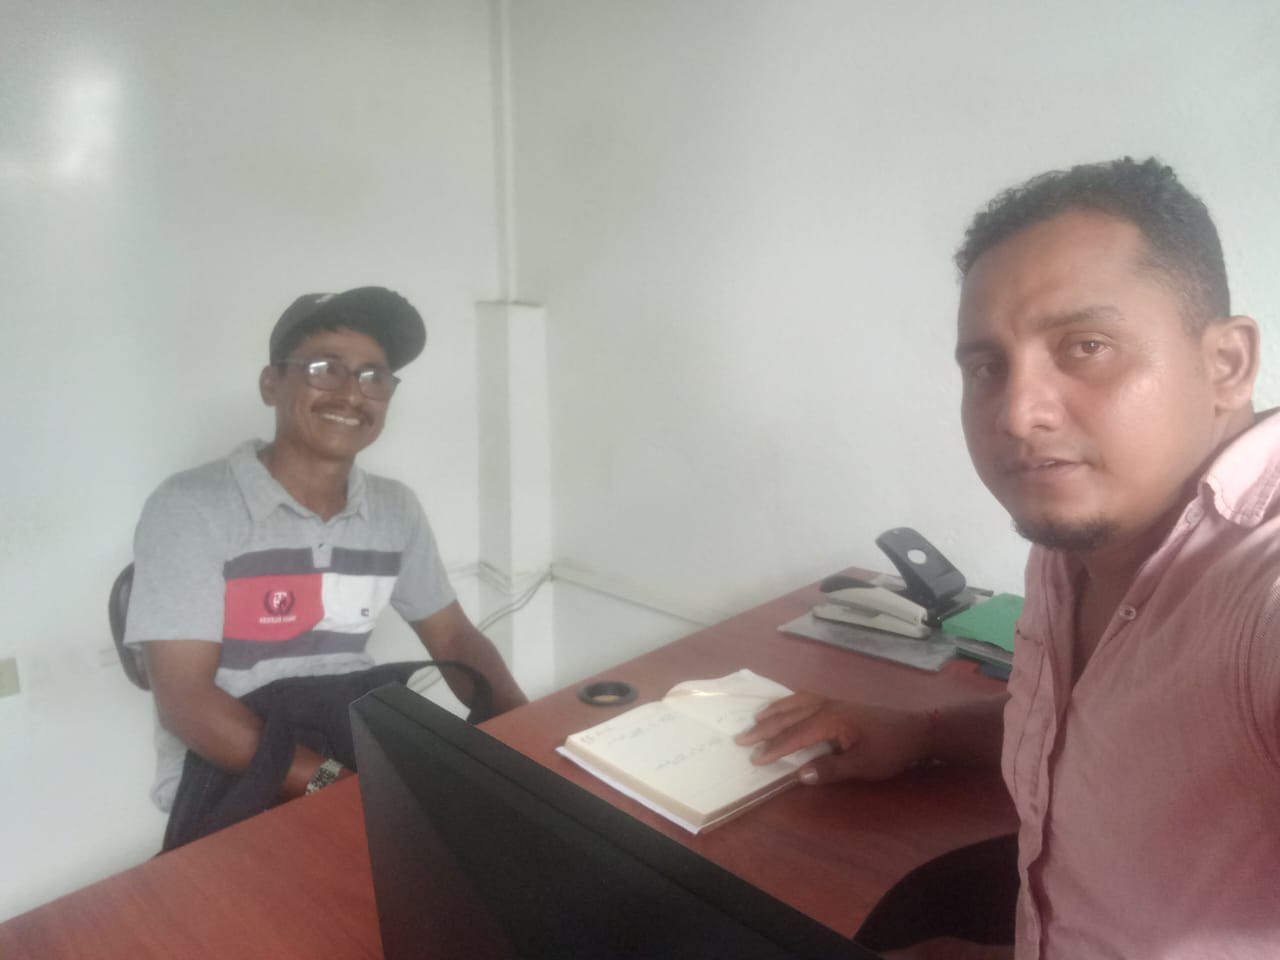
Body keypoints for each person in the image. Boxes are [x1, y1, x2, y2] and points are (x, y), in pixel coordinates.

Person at [737, 158, 1278, 959]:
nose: (1018, 415)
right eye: (987, 368)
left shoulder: (1258, 589)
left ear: (1226, 363)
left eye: (1086, 346)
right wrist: (917, 732)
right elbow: (1079, 724)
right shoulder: (1072, 540)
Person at [125, 286, 528, 823]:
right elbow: (186, 703)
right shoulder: (191, 507)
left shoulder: (394, 509)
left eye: (373, 376)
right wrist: (335, 786)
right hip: (231, 768)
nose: (352, 393)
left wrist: (522, 729)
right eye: (325, 368)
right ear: (271, 384)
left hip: (354, 743)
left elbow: (453, 637)